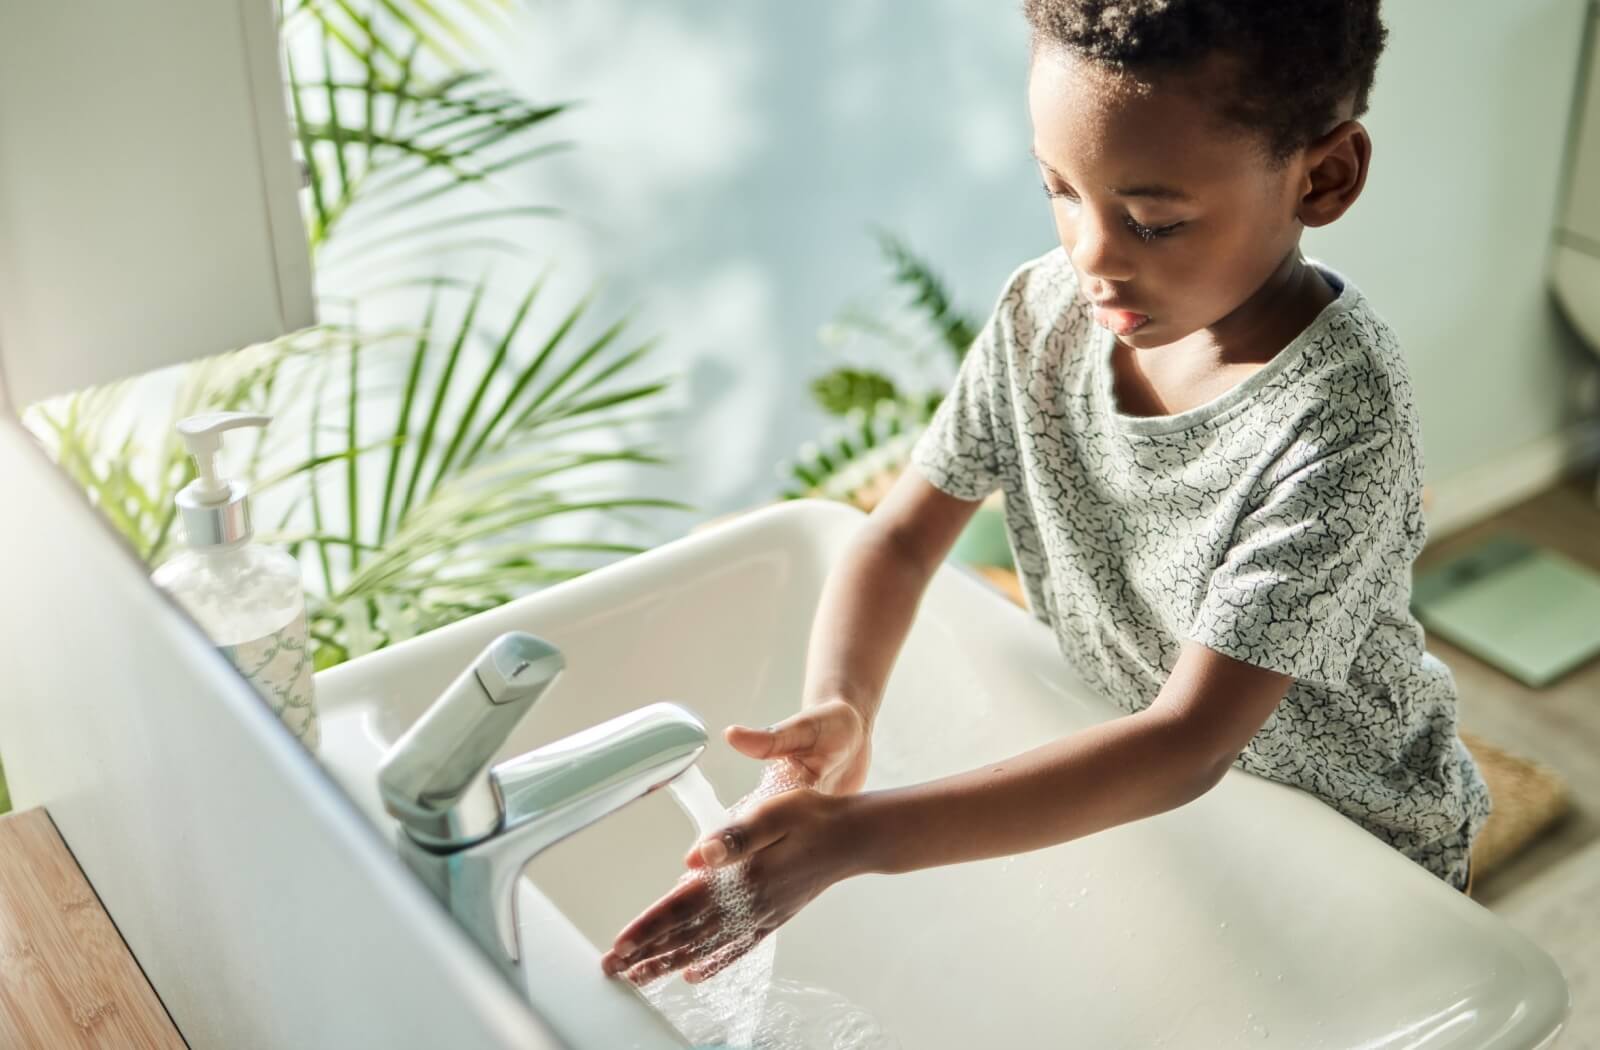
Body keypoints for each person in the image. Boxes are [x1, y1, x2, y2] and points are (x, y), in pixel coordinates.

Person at [602, 0, 1491, 987]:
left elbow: (1186, 741)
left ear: (1322, 178)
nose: (1092, 253)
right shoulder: (1045, 313)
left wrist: (852, 841)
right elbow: (897, 541)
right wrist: (841, 706)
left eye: (1154, 220)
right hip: (1170, 799)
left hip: (1351, 847)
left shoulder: (1337, 422)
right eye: (1058, 190)